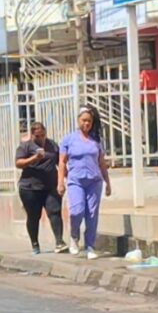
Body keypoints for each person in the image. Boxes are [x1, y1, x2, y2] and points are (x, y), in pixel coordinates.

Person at [58, 106, 112, 260]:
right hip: (76, 180)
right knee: (77, 210)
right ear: (78, 120)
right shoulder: (69, 140)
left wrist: (108, 182)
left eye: (89, 121)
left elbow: (101, 163)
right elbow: (62, 162)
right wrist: (60, 182)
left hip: (94, 180)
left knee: (92, 214)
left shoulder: (96, 140)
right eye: (84, 120)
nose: (86, 124)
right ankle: (74, 236)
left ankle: (90, 246)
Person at [16, 122, 67, 254]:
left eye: (43, 135)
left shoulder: (52, 145)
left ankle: (59, 241)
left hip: (50, 186)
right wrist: (34, 158)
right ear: (32, 135)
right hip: (30, 188)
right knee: (34, 216)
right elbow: (18, 163)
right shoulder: (25, 146)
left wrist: (66, 178)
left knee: (54, 212)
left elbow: (60, 163)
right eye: (38, 136)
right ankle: (35, 244)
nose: (42, 138)